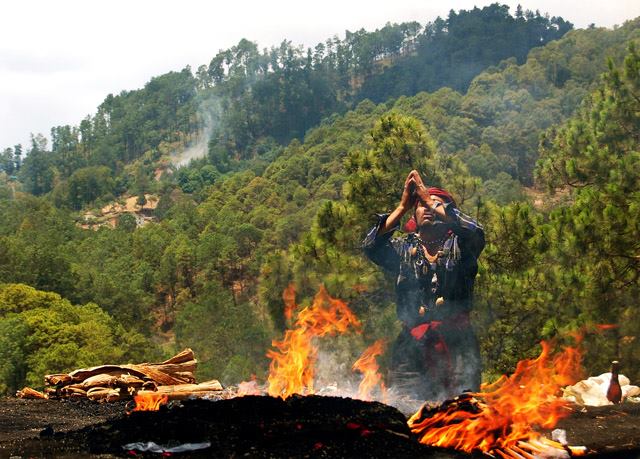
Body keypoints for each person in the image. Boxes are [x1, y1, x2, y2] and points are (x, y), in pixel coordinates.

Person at [362, 170, 485, 401]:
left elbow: (476, 231)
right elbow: (370, 246)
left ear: (448, 215)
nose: (428, 208)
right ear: (413, 215)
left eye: (437, 205)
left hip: (458, 344)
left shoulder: (462, 245)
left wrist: (427, 198)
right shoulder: (402, 248)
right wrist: (401, 207)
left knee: (464, 415)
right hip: (410, 347)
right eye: (422, 205)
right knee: (406, 410)